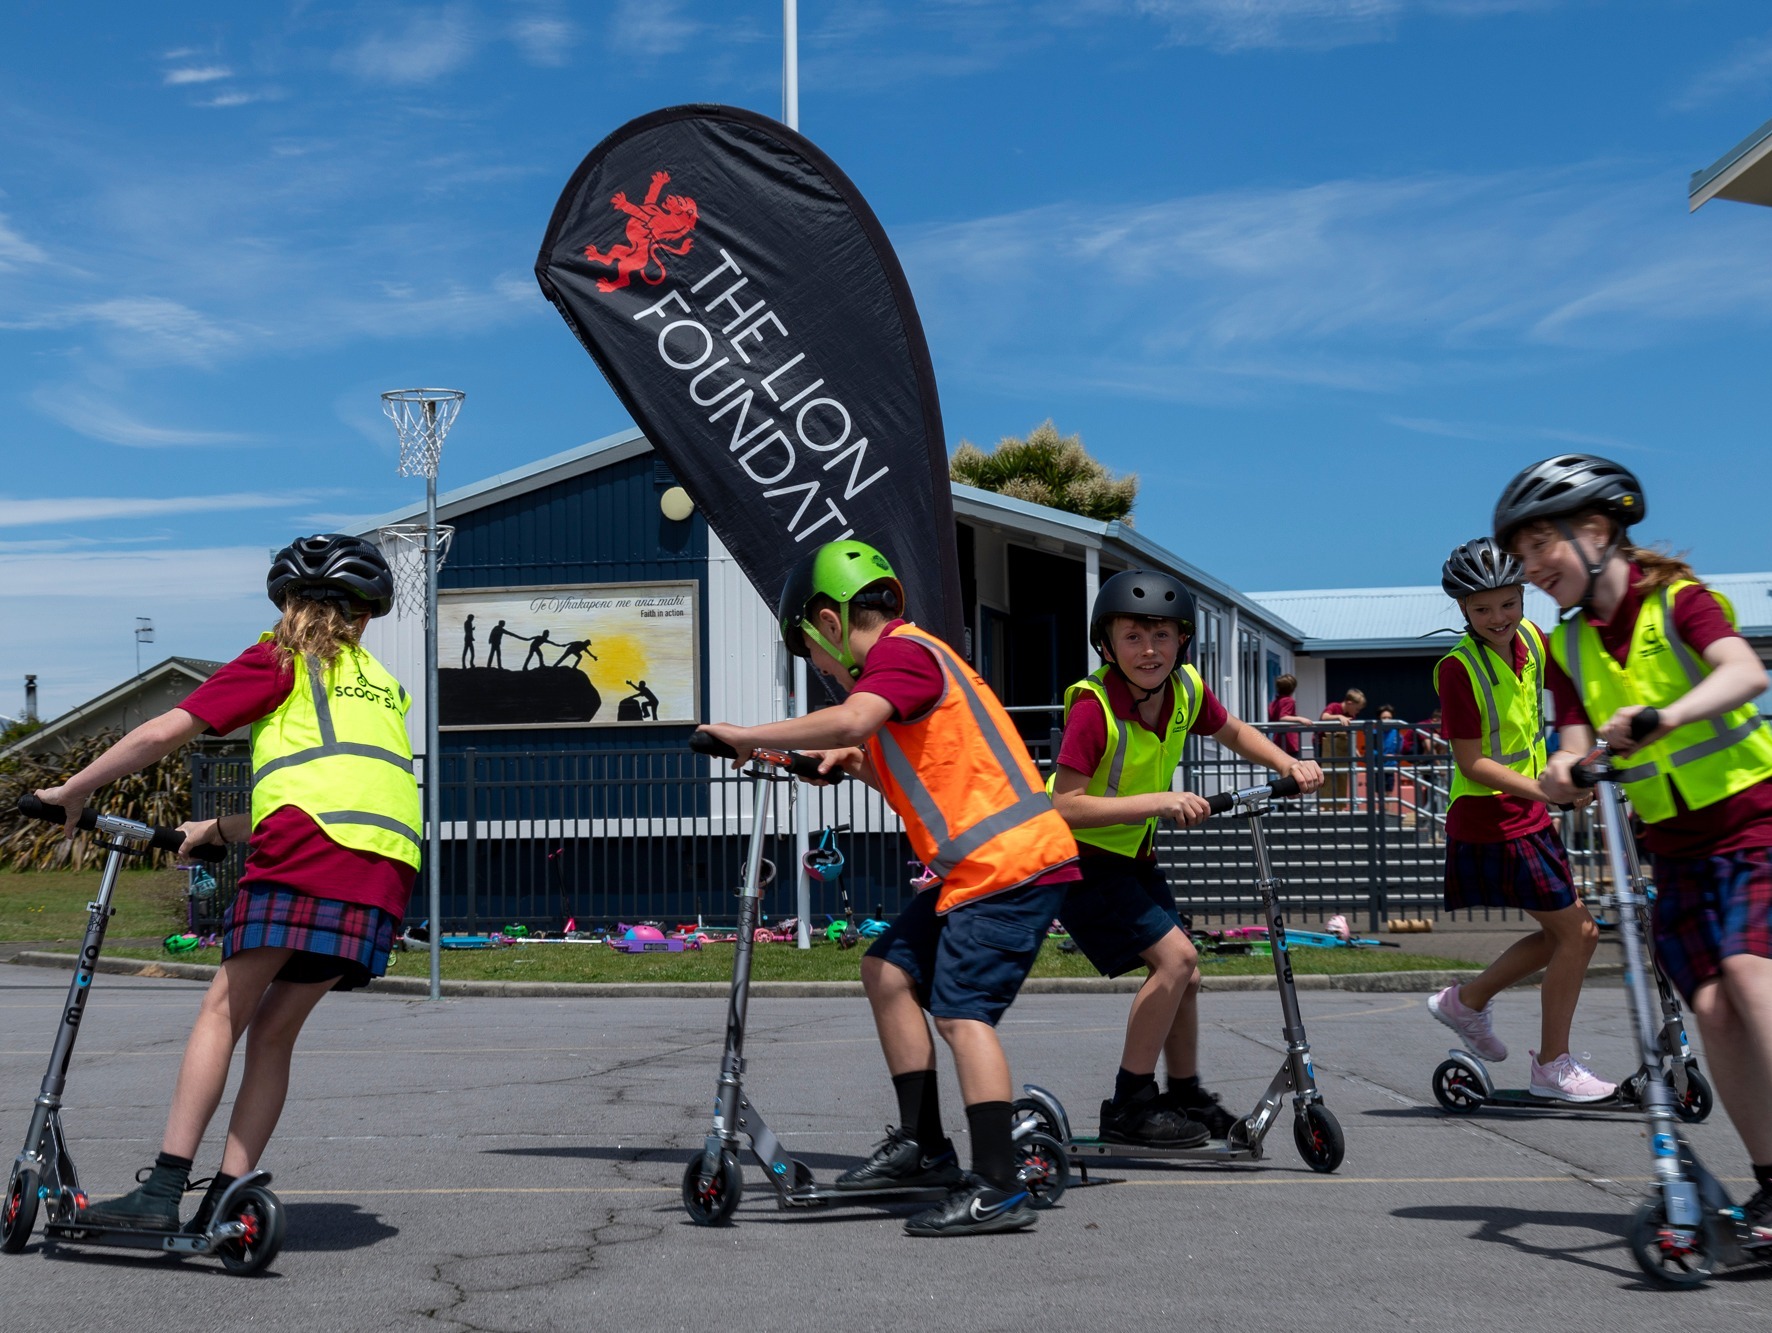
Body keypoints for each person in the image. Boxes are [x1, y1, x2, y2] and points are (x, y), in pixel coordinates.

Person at [34, 534, 420, 1232]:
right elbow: (332, 779)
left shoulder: (279, 658)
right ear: (364, 617)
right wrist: (215, 827)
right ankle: (231, 1194)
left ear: (288, 605)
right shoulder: (383, 686)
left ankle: (164, 1187)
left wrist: (74, 787)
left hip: (307, 853)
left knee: (223, 1011)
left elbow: (162, 731)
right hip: (384, 868)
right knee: (274, 1032)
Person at [697, 540, 1078, 1237]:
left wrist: (747, 737)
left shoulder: (900, 654)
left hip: (1009, 865)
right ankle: (922, 1145)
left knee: (964, 1016)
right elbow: (913, 766)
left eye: (809, 650)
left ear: (831, 624)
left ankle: (996, 1182)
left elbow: (853, 720)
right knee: (887, 969)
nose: (818, 668)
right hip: (983, 866)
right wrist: (845, 765)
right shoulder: (912, 666)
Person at [1498, 453, 1772, 1238]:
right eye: (1522, 557)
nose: (1532, 568)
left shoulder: (1681, 602)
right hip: (1673, 848)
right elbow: (1570, 750)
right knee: (1715, 1012)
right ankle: (1770, 1183)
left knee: (1752, 981)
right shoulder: (1570, 646)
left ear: (1595, 531)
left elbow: (1743, 672)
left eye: (1539, 548)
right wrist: (1563, 773)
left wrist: (1664, 715)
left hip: (1753, 823)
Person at [1048, 571, 1323, 1144]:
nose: (1149, 650)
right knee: (1174, 961)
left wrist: (1285, 765)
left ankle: (1185, 1093)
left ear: (1183, 643)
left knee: (1187, 972)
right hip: (1078, 859)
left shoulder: (1185, 690)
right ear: (1107, 644)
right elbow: (1064, 806)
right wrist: (1159, 800)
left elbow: (1234, 731)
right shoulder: (1094, 709)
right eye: (1133, 637)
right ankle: (1129, 1106)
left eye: (1163, 637)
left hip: (1131, 856)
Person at [1424, 537, 1615, 1102]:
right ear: (1462, 610)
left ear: (1522, 595)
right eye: (1481, 609)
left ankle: (1467, 1001)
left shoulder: (1533, 639)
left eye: (1507, 602)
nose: (1497, 618)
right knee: (1577, 933)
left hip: (1527, 807)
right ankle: (1551, 1066)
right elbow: (1471, 760)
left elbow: (1571, 691)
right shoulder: (1458, 670)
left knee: (1568, 932)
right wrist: (1547, 790)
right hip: (1492, 815)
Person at [1318, 688, 1366, 809]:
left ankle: (1339, 804)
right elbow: (1324, 717)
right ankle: (1324, 805)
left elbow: (1350, 735)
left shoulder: (1351, 716)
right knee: (1325, 774)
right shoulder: (1334, 707)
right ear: (1349, 703)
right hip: (1324, 746)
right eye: (1357, 709)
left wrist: (1354, 749)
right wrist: (1339, 717)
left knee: (1340, 774)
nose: (1356, 712)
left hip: (1339, 748)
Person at [1267, 672, 1304, 759]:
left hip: (1278, 740)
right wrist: (1300, 719)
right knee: (1295, 766)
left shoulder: (1274, 703)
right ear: (1293, 689)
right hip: (1289, 742)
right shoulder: (1288, 701)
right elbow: (1283, 717)